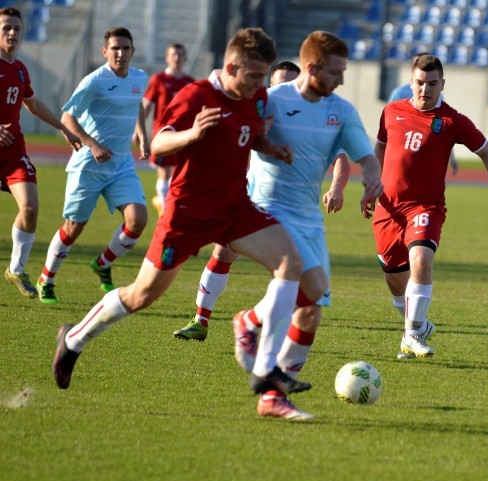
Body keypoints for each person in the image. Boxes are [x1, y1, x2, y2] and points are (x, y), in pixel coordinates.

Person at [52, 28, 313, 420]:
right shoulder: (195, 96)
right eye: (255, 76)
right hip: (188, 214)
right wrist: (193, 133)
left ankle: (265, 369)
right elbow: (158, 144)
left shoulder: (255, 95)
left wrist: (270, 147)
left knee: (291, 265)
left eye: (264, 77)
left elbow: (246, 134)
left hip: (235, 207)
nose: (262, 86)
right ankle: (73, 339)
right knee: (142, 295)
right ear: (231, 67)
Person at [172, 31, 382, 422]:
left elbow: (364, 156)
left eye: (344, 72)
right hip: (268, 209)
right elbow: (242, 136)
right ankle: (268, 380)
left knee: (312, 308)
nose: (341, 79)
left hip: (309, 218)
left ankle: (262, 360)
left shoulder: (343, 111)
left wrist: (373, 177)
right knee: (311, 285)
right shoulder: (273, 99)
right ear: (313, 67)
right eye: (336, 72)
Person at [374, 54, 488, 359]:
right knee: (394, 277)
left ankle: (412, 334)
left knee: (421, 260)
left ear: (442, 84)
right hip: (388, 208)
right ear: (410, 82)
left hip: (425, 207)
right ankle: (416, 324)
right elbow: (379, 147)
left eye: (432, 84)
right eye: (419, 83)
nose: (424, 89)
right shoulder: (391, 111)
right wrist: (370, 185)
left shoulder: (454, 121)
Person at [36, 27, 150, 304]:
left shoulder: (140, 77)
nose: (120, 53)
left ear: (133, 51)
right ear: (105, 52)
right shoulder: (94, 81)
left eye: (125, 48)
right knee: (74, 227)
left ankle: (102, 263)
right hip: (89, 164)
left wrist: (143, 135)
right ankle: (46, 279)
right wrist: (92, 144)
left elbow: (137, 106)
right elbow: (67, 117)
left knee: (138, 220)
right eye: (115, 48)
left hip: (121, 163)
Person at [0, 7, 81, 299]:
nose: (12, 33)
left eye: (17, 29)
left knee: (31, 208)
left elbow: (32, 103)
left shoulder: (20, 68)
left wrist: (63, 128)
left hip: (12, 154)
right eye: (6, 27)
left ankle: (16, 270)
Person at [140, 42, 193, 217]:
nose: (177, 58)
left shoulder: (189, 83)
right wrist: (139, 132)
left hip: (182, 136)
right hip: (162, 135)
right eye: (173, 54)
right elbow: (146, 105)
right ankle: (165, 210)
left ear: (185, 58)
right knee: (163, 172)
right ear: (167, 57)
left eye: (180, 54)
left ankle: (165, 203)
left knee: (178, 174)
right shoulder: (159, 80)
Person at [388, 53, 458, 177]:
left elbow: (443, 126)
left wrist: (451, 156)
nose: (425, 90)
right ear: (413, 69)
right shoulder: (398, 94)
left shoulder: (438, 96)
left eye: (432, 84)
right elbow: (388, 126)